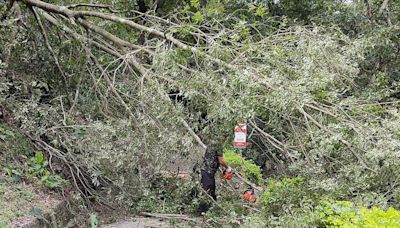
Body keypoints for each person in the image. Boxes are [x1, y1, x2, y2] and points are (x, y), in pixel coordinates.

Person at [198, 138, 232, 213]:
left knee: (211, 189)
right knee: (207, 190)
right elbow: (221, 161)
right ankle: (203, 210)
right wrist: (228, 168)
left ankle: (213, 209)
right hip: (208, 171)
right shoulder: (219, 146)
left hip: (206, 170)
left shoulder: (212, 143)